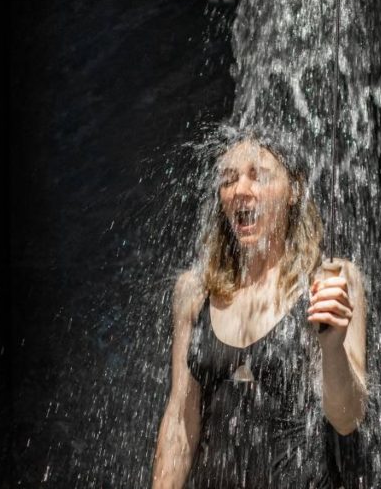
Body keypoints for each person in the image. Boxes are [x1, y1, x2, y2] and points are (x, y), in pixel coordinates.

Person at [152, 131, 369, 488]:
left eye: (259, 175)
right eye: (228, 179)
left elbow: (347, 418)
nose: (240, 189)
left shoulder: (331, 280)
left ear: (293, 190)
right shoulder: (194, 291)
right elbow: (179, 420)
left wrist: (332, 347)